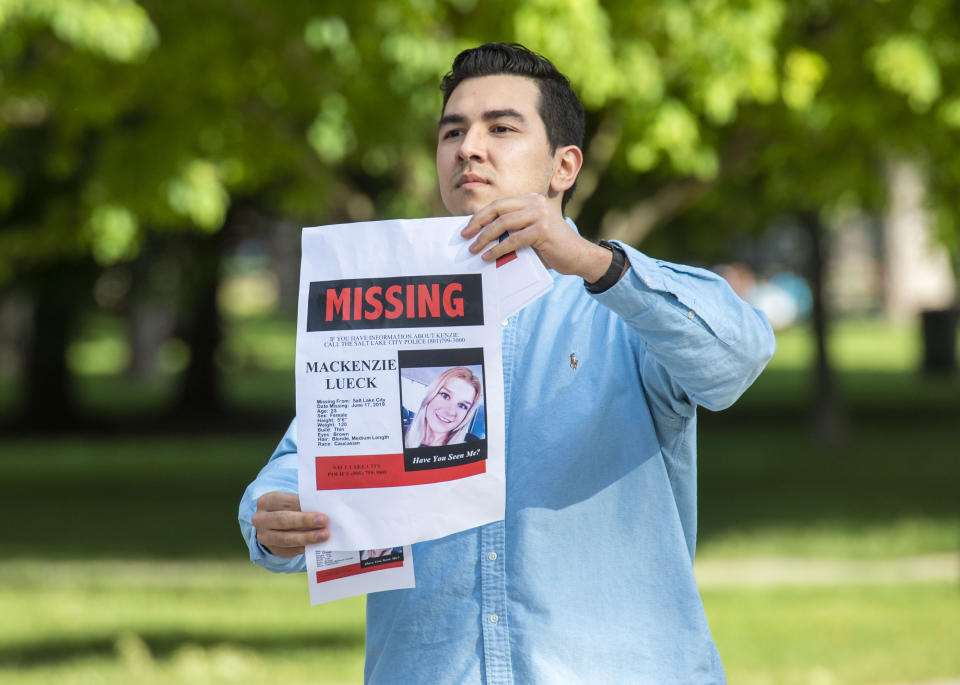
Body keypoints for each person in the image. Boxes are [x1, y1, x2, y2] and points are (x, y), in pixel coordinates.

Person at [240, 42, 776, 683]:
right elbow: (299, 472)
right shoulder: (382, 313)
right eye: (452, 132)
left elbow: (736, 359)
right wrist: (270, 517)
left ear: (564, 167)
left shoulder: (623, 306)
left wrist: (594, 261)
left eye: (501, 128)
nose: (469, 147)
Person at [403, 366, 482, 448]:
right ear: (431, 396)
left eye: (462, 406)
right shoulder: (399, 435)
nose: (450, 412)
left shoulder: (471, 446)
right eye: (445, 395)